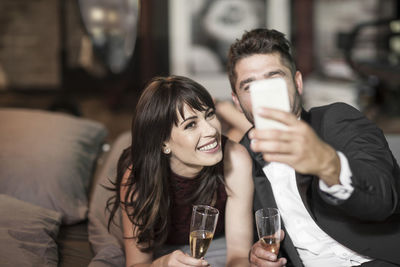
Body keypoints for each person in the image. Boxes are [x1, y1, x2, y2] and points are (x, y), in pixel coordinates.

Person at [227, 28, 400, 266]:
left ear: (298, 83)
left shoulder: (337, 120)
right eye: (249, 86)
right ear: (237, 101)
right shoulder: (242, 157)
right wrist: (256, 254)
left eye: (274, 79)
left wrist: (329, 164)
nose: (263, 95)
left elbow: (384, 197)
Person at [107, 75, 254, 267]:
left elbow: (239, 257)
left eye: (209, 114)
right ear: (163, 142)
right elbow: (137, 263)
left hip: (213, 244)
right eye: (191, 125)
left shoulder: (235, 158)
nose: (211, 130)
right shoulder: (136, 175)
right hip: (159, 245)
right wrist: (163, 264)